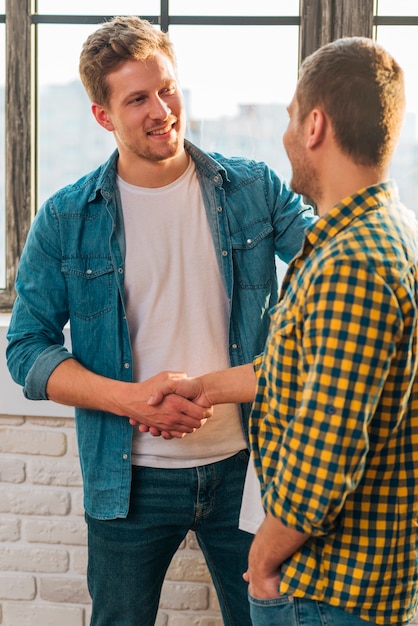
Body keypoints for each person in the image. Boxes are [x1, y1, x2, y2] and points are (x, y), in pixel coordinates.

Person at [5, 15, 315, 626]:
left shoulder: (252, 189)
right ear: (103, 115)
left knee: (273, 620)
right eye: (138, 98)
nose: (161, 109)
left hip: (247, 470)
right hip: (129, 484)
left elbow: (335, 258)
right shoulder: (67, 217)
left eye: (167, 88)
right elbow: (26, 349)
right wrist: (131, 401)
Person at [150, 37, 418, 625]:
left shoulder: (350, 263)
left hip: (327, 589)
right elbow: (302, 372)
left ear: (316, 125)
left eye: (291, 117)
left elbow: (325, 454)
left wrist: (264, 562)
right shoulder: (385, 231)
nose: (285, 133)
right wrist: (207, 387)